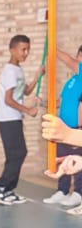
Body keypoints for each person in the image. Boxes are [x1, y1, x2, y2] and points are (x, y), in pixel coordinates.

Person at [0, 34, 43, 205]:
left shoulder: (18, 70)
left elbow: (25, 91)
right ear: (12, 50)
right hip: (7, 118)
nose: (26, 53)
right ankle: (0, 187)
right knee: (17, 153)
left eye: (28, 50)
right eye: (23, 49)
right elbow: (8, 100)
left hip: (14, 117)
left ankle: (8, 190)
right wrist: (28, 110)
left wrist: (37, 77)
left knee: (17, 153)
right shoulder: (9, 71)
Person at [43, 46, 82, 209]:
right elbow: (61, 101)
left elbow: (68, 60)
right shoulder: (72, 81)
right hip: (63, 128)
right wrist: (43, 103)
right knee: (62, 160)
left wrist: (52, 48)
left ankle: (79, 193)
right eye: (80, 56)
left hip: (76, 129)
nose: (80, 60)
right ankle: (62, 191)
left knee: (77, 161)